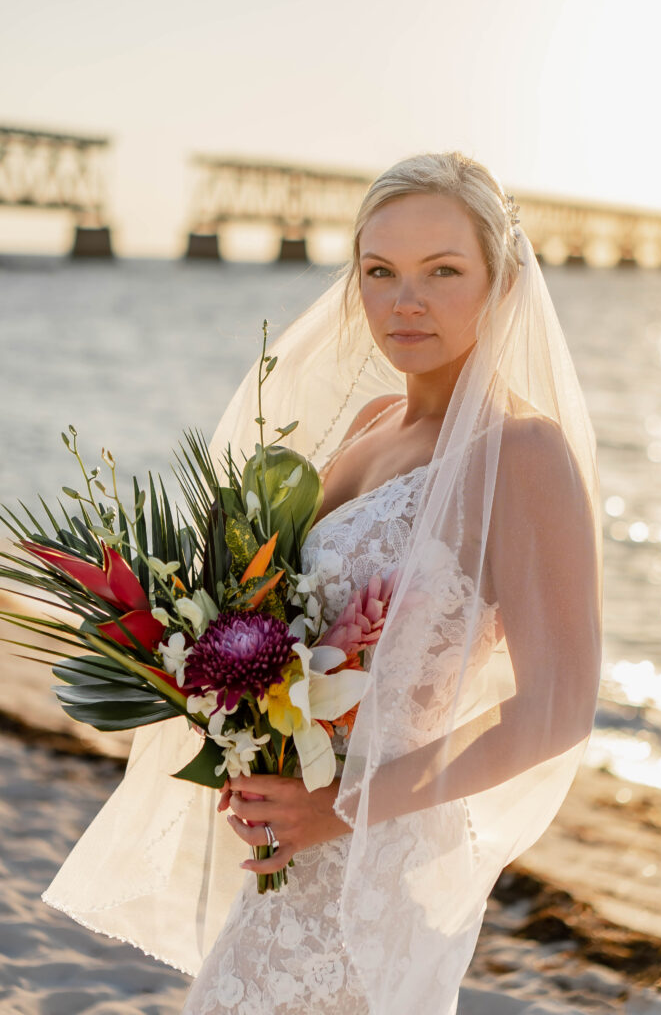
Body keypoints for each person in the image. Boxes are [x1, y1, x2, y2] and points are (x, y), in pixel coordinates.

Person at [44, 152, 602, 1015]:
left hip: (374, 861)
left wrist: (338, 809)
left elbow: (556, 711)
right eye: (378, 271)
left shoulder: (520, 454)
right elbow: (290, 627)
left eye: (441, 271)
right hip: (294, 846)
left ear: (501, 282)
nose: (402, 300)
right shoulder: (374, 424)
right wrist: (240, 723)